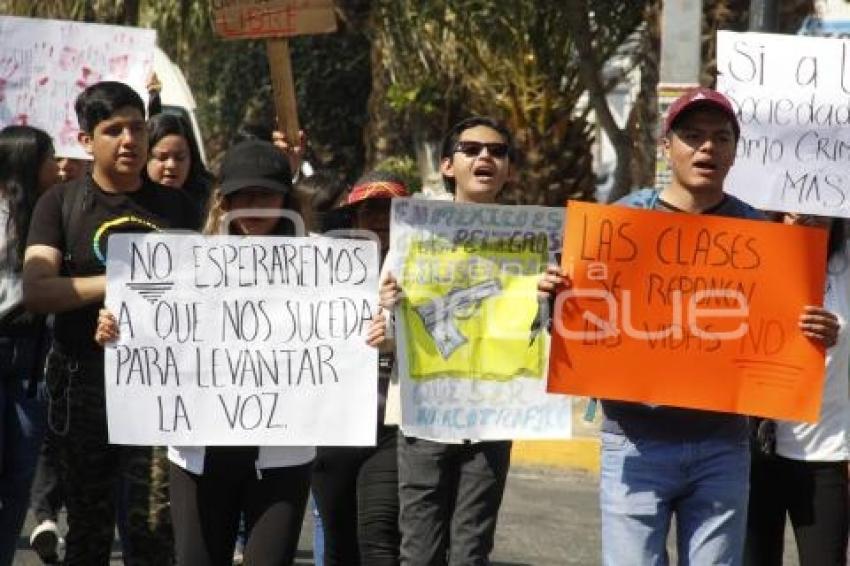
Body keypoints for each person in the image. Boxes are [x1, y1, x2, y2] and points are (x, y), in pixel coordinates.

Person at [537, 87, 839, 565]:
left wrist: (817, 332)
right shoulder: (621, 224)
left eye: (721, 138)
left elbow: (783, 337)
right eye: (693, 136)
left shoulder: (761, 235)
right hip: (634, 443)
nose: (707, 148)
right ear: (666, 146)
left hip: (722, 448)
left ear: (735, 151)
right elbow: (570, 329)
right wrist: (555, 301)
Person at [96, 139, 318, 565]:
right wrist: (115, 328)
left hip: (283, 453)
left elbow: (348, 333)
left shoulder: (323, 261)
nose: (253, 206)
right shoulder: (187, 262)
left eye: (266, 195)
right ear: (224, 200)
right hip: (200, 450)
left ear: (286, 199)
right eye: (241, 196)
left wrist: (373, 330)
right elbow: (151, 325)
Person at [22, 81, 198, 566]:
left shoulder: (177, 206)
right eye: (113, 129)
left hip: (158, 391)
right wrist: (119, 283)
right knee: (88, 531)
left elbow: (199, 291)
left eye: (137, 127)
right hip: (84, 390)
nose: (129, 140)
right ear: (85, 141)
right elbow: (38, 289)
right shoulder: (59, 204)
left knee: (154, 530)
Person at [379, 116, 517, 565]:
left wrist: (552, 295)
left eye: (497, 152)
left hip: (494, 411)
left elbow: (548, 328)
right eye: (472, 149)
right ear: (447, 165)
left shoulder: (533, 239)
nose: (485, 158)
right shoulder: (416, 232)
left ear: (508, 169)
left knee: (472, 547)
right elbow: (382, 338)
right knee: (420, 546)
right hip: (426, 410)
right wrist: (389, 308)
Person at [312, 171, 409, 565]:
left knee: (379, 533)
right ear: (353, 217)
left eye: (391, 208)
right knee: (338, 538)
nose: (380, 217)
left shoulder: (428, 268)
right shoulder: (320, 268)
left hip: (389, 426)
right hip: (332, 425)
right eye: (370, 208)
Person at [744, 214, 849, 565]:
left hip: (825, 452)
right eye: (790, 210)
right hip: (751, 450)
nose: (802, 216)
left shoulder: (845, 265)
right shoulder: (747, 259)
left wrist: (834, 335)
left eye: (816, 210)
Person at [0, 125, 58, 565]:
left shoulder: (48, 215)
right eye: (48, 158)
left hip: (33, 357)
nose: (56, 166)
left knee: (19, 477)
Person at [144, 112, 212, 207]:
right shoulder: (129, 202)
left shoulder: (209, 205)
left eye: (180, 158)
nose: (171, 165)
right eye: (162, 158)